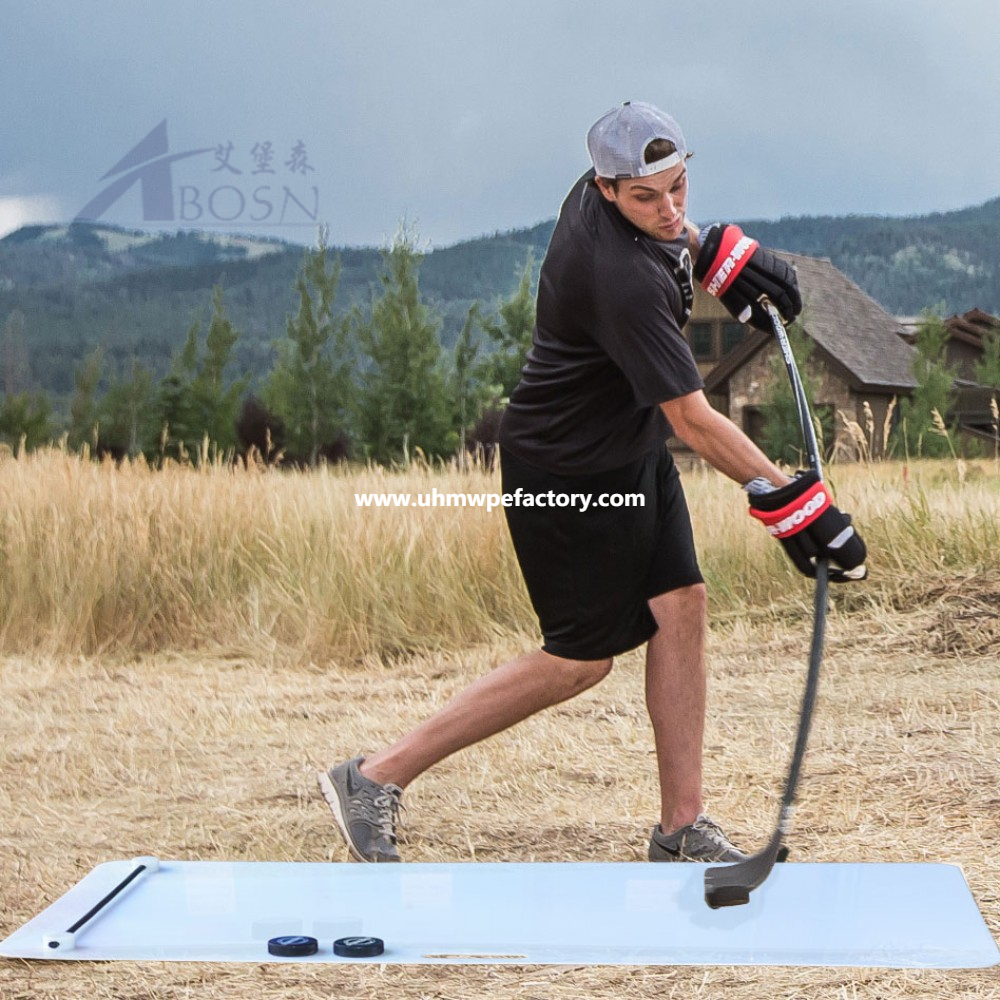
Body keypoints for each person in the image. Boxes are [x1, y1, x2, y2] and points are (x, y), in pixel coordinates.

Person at [318, 101, 867, 864]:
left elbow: (674, 237)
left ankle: (681, 827)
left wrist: (714, 254)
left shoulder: (612, 196)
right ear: (606, 190)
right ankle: (373, 777)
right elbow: (695, 420)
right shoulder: (620, 278)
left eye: (680, 188)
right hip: (567, 470)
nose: (669, 209)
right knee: (580, 658)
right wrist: (793, 502)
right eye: (647, 197)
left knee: (681, 606)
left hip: (626, 448)